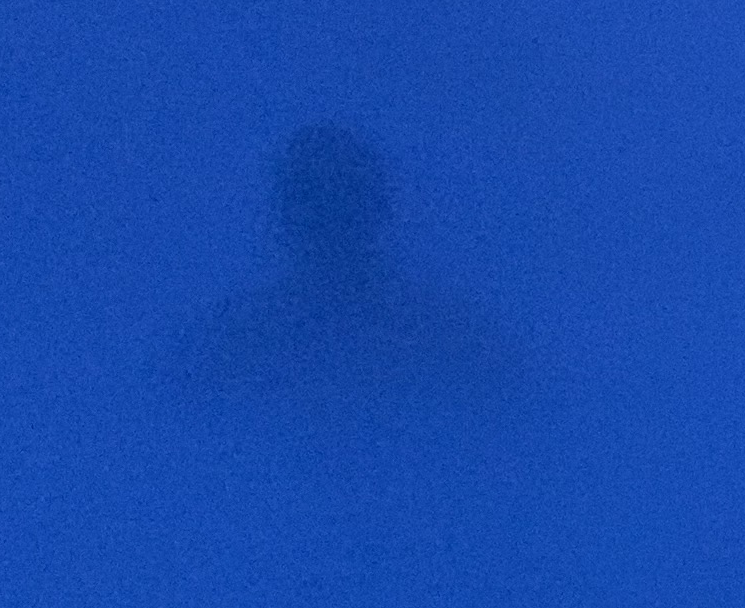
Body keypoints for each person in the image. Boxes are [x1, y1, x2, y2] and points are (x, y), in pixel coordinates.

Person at [184, 121, 508, 406]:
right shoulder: (233, 347)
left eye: (344, 197)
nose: (329, 217)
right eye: (313, 198)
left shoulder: (452, 341)